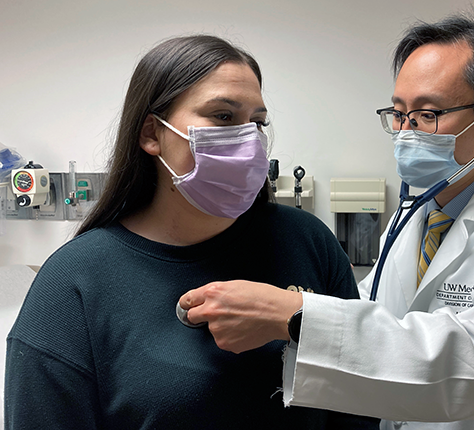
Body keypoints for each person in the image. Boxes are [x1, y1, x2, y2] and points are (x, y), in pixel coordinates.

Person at [178, 12, 474, 430]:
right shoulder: (410, 218)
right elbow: (374, 313)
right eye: (398, 113)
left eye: (427, 114)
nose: (406, 132)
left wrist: (295, 315)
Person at [4, 35, 380, 430]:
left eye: (257, 123)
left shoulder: (308, 242)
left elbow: (358, 402)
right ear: (152, 133)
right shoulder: (73, 283)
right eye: (222, 116)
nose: (249, 140)